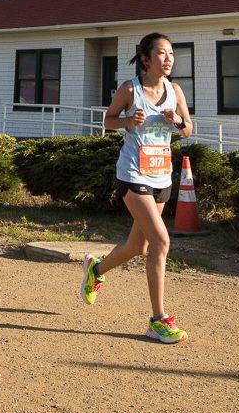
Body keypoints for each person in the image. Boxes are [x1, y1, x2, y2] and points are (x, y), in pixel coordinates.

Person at [80, 32, 193, 345]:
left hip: (161, 176)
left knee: (138, 247)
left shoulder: (175, 91)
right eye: (161, 53)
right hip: (133, 174)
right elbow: (107, 121)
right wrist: (128, 119)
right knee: (161, 240)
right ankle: (158, 320)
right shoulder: (131, 88)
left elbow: (189, 128)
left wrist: (177, 121)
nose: (168, 59)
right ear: (146, 58)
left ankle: (96, 269)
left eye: (171, 53)